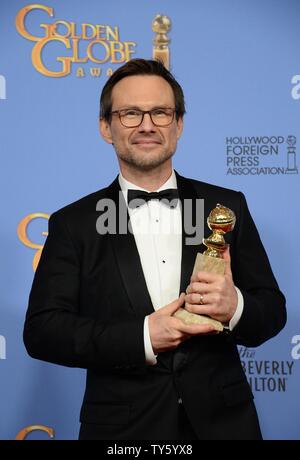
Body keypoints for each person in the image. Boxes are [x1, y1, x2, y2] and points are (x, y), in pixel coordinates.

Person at [23, 58, 286, 440]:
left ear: (178, 124)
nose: (147, 125)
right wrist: (143, 336)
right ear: (105, 127)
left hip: (225, 425)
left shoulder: (226, 208)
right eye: (130, 113)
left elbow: (272, 311)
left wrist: (235, 307)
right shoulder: (74, 223)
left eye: (160, 112)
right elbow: (43, 332)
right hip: (122, 431)